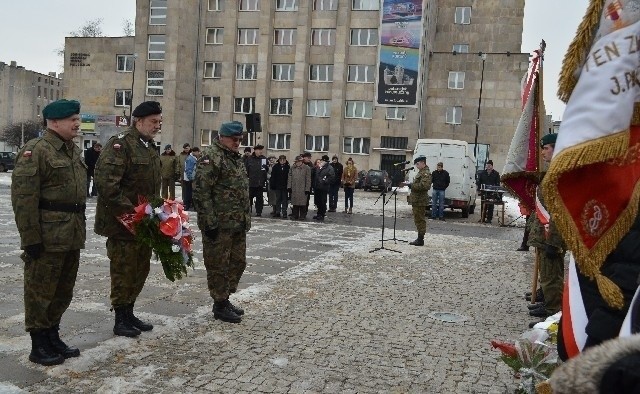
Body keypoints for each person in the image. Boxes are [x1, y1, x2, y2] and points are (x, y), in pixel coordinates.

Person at [11, 99, 86, 366]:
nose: (77, 123)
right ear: (54, 122)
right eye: (72, 119)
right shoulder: (37, 150)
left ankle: (52, 334)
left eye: (77, 118)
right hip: (47, 236)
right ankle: (38, 343)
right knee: (40, 290)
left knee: (62, 290)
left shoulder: (72, 151)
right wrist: (30, 238)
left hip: (71, 233)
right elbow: (23, 199)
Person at [94, 101, 162, 338]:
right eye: (153, 122)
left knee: (139, 269)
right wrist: (133, 214)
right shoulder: (120, 144)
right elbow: (107, 185)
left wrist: (156, 213)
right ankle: (120, 317)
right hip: (122, 224)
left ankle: (129, 311)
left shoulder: (148, 146)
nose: (157, 126)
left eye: (159, 122)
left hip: (143, 223)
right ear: (139, 121)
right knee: (123, 269)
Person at [193, 121, 250, 323]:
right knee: (218, 265)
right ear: (222, 137)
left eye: (240, 139)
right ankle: (219, 303)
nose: (238, 143)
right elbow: (201, 191)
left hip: (236, 222)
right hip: (218, 224)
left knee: (238, 262)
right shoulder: (212, 157)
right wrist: (209, 222)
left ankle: (225, 297)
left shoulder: (234, 158)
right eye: (234, 139)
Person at [527, 133, 566, 323]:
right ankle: (548, 303)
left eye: (546, 148)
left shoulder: (559, 173)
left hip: (552, 234)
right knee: (547, 273)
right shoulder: (552, 171)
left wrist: (554, 241)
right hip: (545, 233)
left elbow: (559, 211)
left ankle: (554, 316)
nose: (542, 152)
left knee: (552, 276)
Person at [401, 156, 432, 246]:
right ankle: (419, 238)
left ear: (423, 163)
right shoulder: (421, 172)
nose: (417, 166)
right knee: (417, 219)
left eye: (418, 164)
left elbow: (425, 186)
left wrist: (411, 185)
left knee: (420, 219)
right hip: (417, 200)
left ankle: (420, 239)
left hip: (420, 200)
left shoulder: (426, 173)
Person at [245, 144, 267, 216]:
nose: (261, 151)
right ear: (255, 150)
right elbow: (246, 170)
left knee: (259, 199)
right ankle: (248, 210)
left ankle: (259, 212)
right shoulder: (249, 159)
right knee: (249, 198)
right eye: (259, 150)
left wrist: (266, 168)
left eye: (261, 150)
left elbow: (265, 171)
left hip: (260, 183)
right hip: (251, 183)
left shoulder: (263, 159)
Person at [288, 155, 312, 220]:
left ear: (302, 161)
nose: (298, 163)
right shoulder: (292, 168)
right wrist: (289, 187)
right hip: (294, 187)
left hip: (302, 188)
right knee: (295, 203)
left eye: (299, 161)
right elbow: (289, 177)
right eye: (296, 161)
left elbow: (308, 179)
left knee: (302, 203)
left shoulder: (307, 168)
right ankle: (295, 215)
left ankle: (302, 215)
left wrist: (307, 188)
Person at [313, 155, 335, 221]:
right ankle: (318, 214)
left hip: (323, 187)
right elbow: (316, 175)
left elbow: (331, 177)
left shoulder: (329, 168)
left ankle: (322, 214)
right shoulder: (320, 166)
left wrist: (324, 181)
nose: (321, 161)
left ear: (326, 161)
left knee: (322, 201)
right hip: (317, 187)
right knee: (318, 201)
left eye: (323, 160)